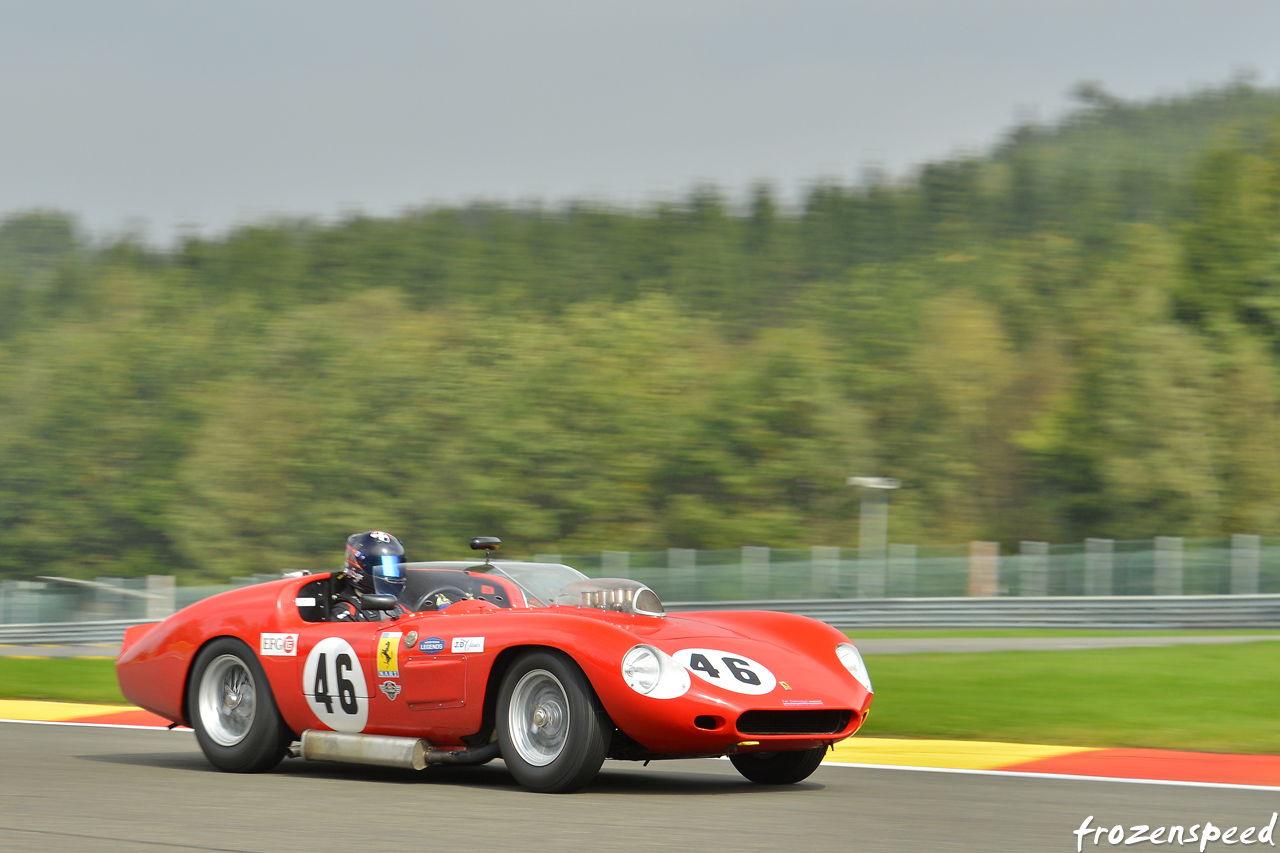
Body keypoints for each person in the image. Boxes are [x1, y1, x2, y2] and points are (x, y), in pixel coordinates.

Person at [330, 530, 407, 621]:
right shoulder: (345, 614)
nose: (391, 573)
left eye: (395, 567)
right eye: (382, 567)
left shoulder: (402, 608)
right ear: (358, 565)